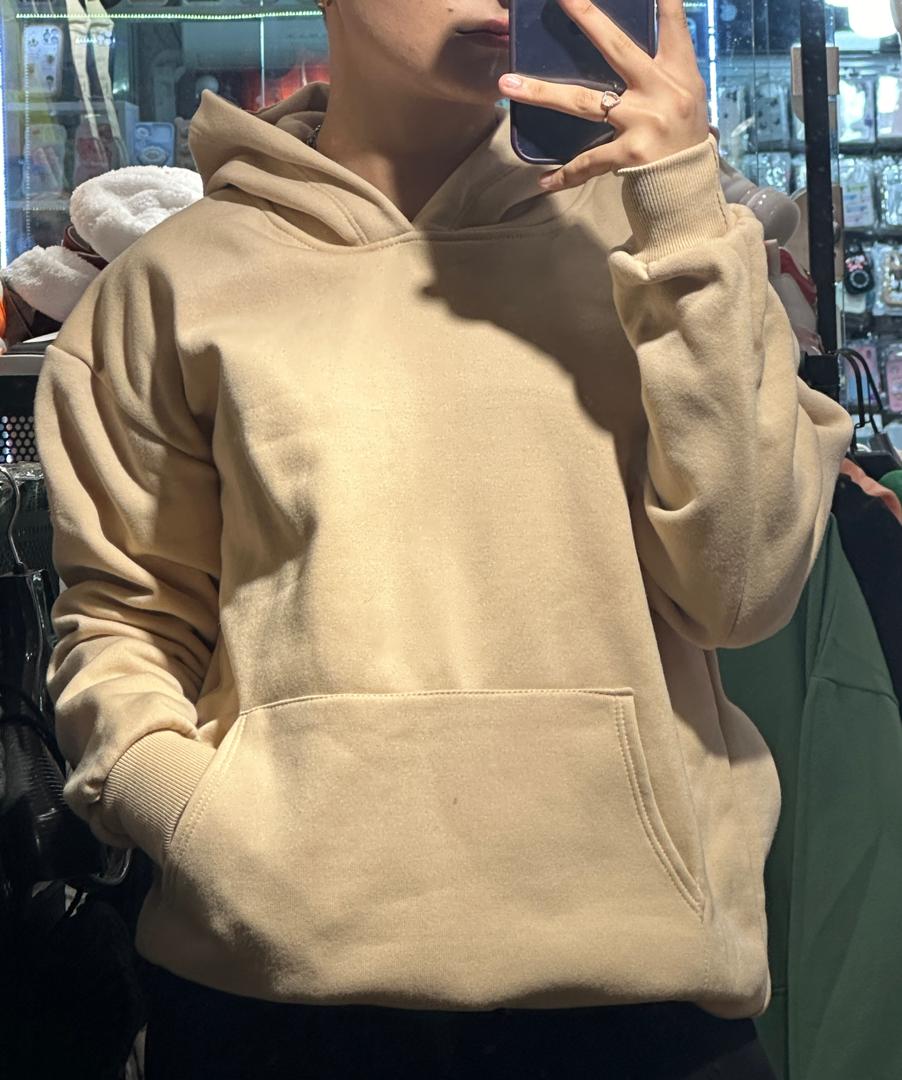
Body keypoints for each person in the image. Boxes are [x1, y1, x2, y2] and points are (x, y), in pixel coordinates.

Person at [33, 0, 854, 1077]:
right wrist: (189, 816)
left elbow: (741, 592)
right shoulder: (176, 284)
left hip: (637, 991)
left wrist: (686, 217)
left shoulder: (663, 244)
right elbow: (126, 621)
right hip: (274, 989)